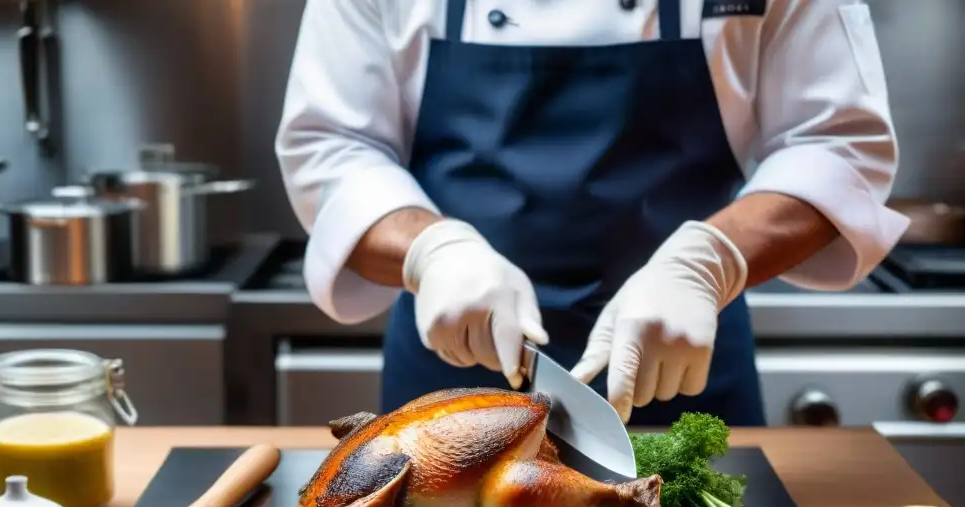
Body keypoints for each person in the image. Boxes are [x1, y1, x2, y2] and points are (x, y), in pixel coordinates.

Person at [277, 0, 907, 427]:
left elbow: (836, 143)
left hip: (685, 366)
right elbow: (330, 145)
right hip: (453, 379)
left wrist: (706, 264)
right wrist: (431, 252)